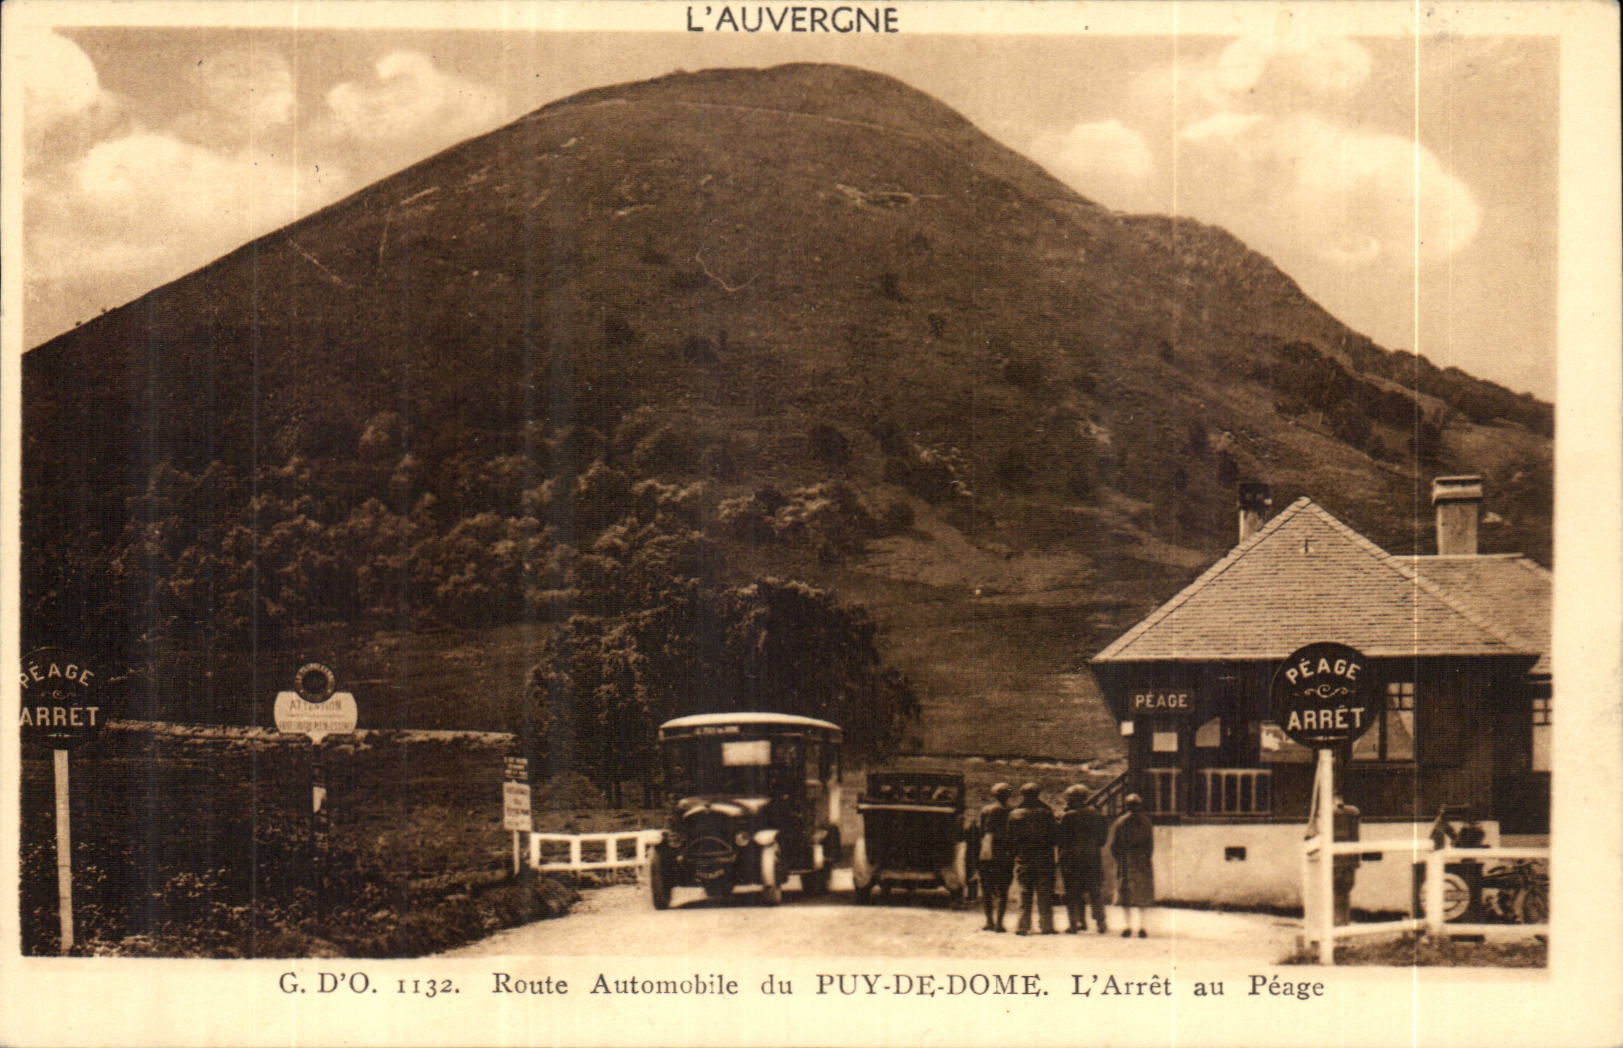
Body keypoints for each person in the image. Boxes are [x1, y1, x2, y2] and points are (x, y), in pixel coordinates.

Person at [1056, 784, 1109, 934]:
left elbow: (1060, 838)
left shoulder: (1068, 816)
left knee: (1072, 891)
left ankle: (1075, 923)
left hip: (1071, 858)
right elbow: (1102, 840)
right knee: (1094, 891)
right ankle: (1101, 923)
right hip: (1092, 857)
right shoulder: (1097, 815)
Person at [1007, 782, 1058, 936]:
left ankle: (1022, 925)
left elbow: (1010, 839)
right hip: (1044, 858)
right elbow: (1055, 837)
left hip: (1024, 857)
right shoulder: (1047, 813)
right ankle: (1046, 925)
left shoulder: (1015, 814)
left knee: (1024, 890)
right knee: (1045, 892)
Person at [1109, 792, 1154, 938]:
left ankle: (1127, 925)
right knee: (1142, 894)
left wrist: (1119, 858)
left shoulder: (1121, 821)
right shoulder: (1146, 822)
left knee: (1125, 894)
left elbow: (1114, 845)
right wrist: (1145, 858)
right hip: (1141, 861)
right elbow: (1150, 845)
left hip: (1125, 860)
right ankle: (1143, 926)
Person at [975, 782, 1015, 932]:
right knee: (1003, 890)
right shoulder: (1013, 811)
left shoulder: (986, 810)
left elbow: (981, 832)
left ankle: (989, 921)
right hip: (1005, 853)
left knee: (986, 889)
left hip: (988, 851)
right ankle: (999, 923)